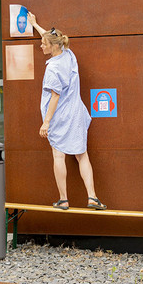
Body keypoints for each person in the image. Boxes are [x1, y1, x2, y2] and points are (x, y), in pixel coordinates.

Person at [27, 12, 106, 211]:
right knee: (82, 155)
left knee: (58, 156)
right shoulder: (69, 55)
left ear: (53, 46)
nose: (41, 45)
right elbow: (51, 36)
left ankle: (63, 199)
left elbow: (55, 96)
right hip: (76, 113)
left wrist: (46, 122)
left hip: (61, 116)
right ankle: (93, 197)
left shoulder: (53, 69)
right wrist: (35, 25)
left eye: (43, 44)